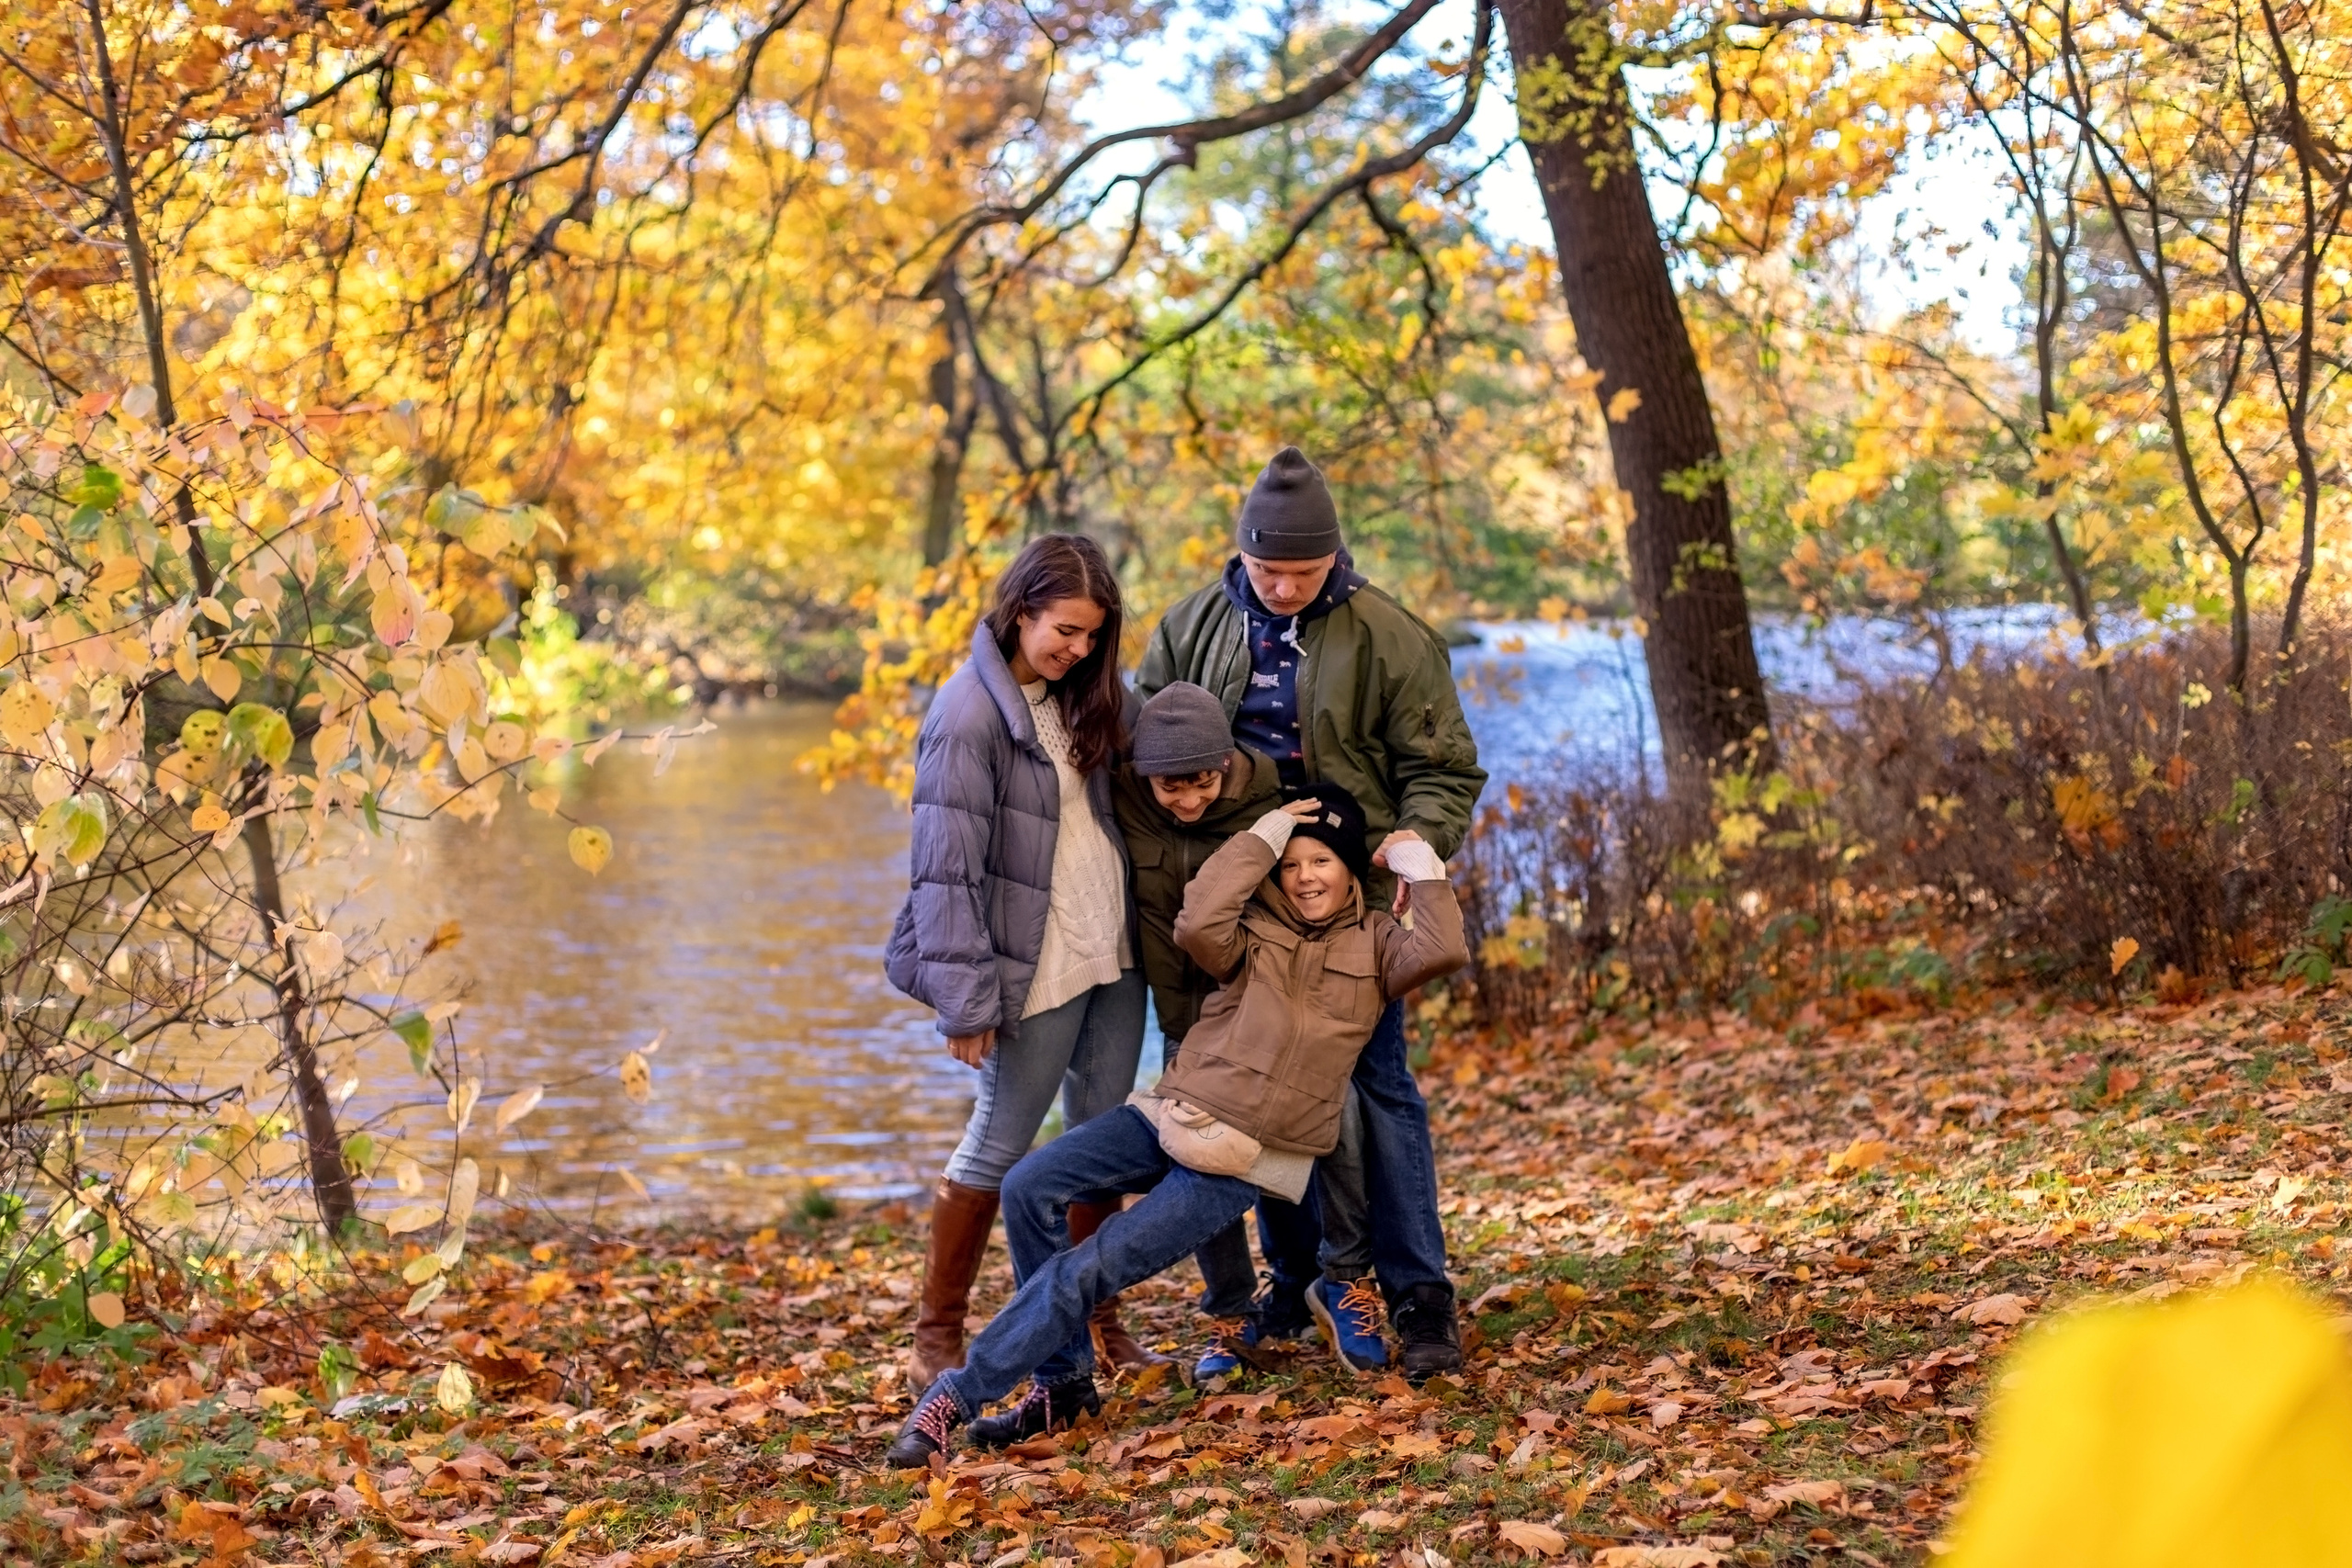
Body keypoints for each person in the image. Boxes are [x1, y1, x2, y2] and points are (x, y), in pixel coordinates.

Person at [886, 784, 1468, 1465]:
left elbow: (1443, 947)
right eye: (1293, 864)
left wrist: (1420, 865)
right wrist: (1266, 831)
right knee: (1027, 1184)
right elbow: (1196, 922)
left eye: (1323, 862)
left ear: (1349, 871)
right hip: (1172, 1110)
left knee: (1089, 1269)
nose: (1306, 877)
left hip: (1244, 1155)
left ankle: (956, 1396)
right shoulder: (1254, 930)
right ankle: (1062, 1385)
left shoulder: (1378, 948)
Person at [1136, 446, 1487, 1382]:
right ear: (1239, 556)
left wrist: (1413, 840)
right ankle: (1289, 1288)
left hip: (1351, 906)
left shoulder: (1390, 635)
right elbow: (1149, 762)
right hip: (1237, 905)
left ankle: (1415, 1294)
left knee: (1376, 1092)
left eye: (1303, 569)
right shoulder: (1188, 629)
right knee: (1249, 1091)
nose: (1284, 586)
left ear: (1335, 556)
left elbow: (1444, 769)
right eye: (1266, 569)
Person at [884, 534, 1162, 1390]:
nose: (1077, 649)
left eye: (1091, 635)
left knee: (1100, 1135)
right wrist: (966, 1003)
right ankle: (938, 1336)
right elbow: (944, 870)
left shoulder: (1090, 696)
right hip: (1030, 964)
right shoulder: (966, 713)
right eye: (1064, 630)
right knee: (999, 1143)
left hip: (1112, 947)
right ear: (1021, 610)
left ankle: (1096, 1315)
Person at [1108, 682, 1285, 1371]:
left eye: (1201, 782)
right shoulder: (1127, 797)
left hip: (1259, 1018)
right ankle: (1232, 1316)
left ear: (1226, 762)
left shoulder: (1266, 802)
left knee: (1286, 1160)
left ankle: (1307, 1288)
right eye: (1170, 789)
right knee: (1200, 1160)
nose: (1187, 801)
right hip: (1184, 1024)